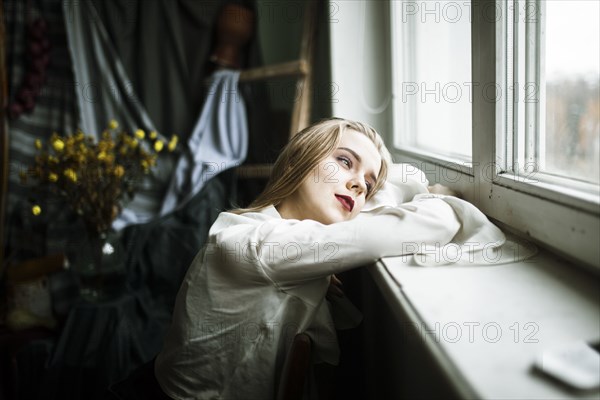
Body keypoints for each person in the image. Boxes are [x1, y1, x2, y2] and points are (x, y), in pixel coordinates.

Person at [153, 118, 461, 399]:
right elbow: (439, 222)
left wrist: (371, 166)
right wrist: (436, 196)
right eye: (344, 161)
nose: (358, 185)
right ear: (297, 161)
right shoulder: (258, 243)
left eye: (367, 185)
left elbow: (386, 189)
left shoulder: (301, 250)